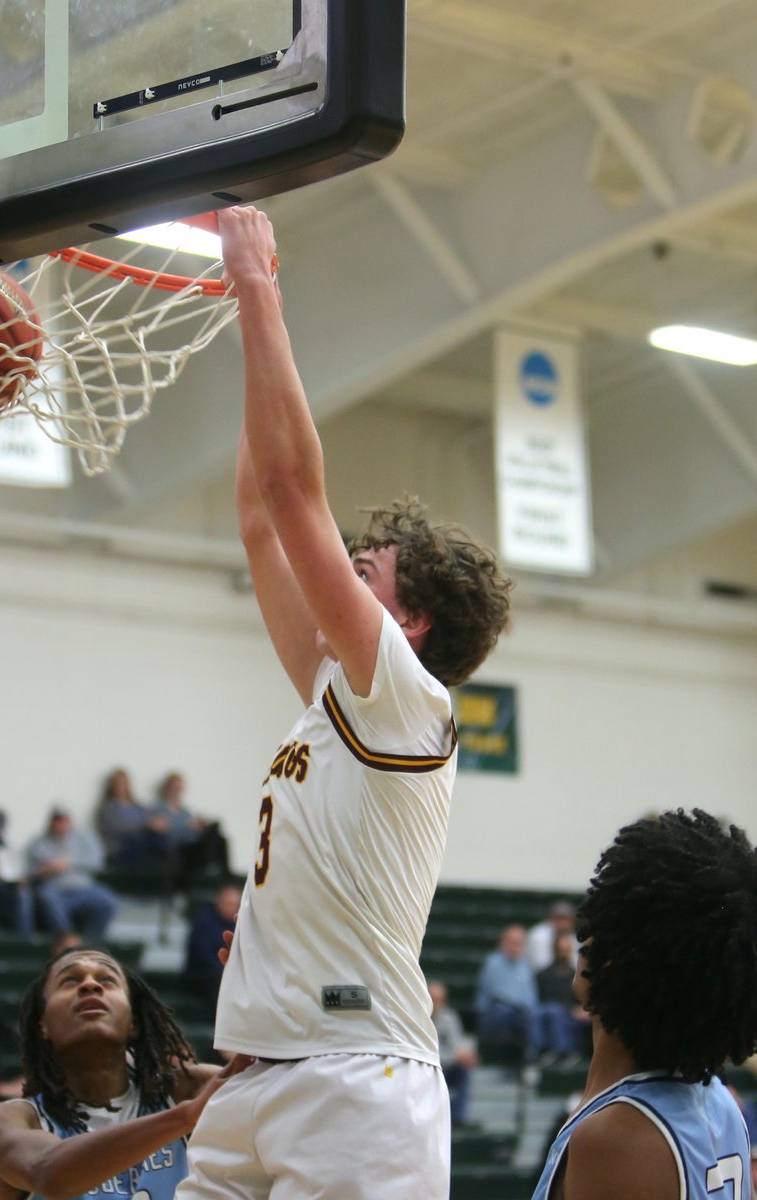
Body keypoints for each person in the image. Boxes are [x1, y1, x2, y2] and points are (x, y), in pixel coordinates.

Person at [175, 206, 513, 1200]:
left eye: (364, 572)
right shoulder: (335, 701)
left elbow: (289, 488)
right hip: (257, 1073)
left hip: (358, 1082)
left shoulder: (405, 701)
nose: (342, 571)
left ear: (408, 626)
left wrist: (257, 289)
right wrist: (258, 315)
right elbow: (257, 519)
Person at [532, 809, 757, 1200]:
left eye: (615, 924)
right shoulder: (721, 1102)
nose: (590, 932)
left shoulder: (617, 1137)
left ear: (634, 966)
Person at [0, 946, 240, 1200]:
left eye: (108, 980)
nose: (91, 985)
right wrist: (183, 1118)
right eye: (70, 981)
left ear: (133, 1022)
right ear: (43, 1024)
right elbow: (49, 1174)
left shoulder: (189, 1088)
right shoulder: (6, 1120)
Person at [24, 809, 118, 941]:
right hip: (55, 888)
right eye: (57, 822)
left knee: (107, 900)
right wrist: (47, 869)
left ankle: (92, 940)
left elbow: (97, 862)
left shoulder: (83, 839)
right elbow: (29, 872)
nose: (60, 826)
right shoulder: (39, 843)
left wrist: (70, 863)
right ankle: (65, 938)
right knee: (47, 896)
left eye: (64, 821)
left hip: (82, 888)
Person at [151, 773, 230, 892]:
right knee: (211, 837)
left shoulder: (185, 811)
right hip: (177, 849)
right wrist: (186, 827)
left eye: (180, 788)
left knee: (218, 836)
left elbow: (191, 832)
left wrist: (198, 827)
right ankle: (214, 867)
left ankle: (221, 871)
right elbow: (165, 831)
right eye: (175, 788)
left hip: (192, 846)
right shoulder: (159, 809)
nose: (177, 791)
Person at [475, 924, 541, 1065]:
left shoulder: (525, 966)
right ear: (502, 943)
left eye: (519, 944)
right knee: (508, 1012)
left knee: (534, 1014)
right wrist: (522, 1007)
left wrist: (527, 1009)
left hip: (520, 1014)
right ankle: (529, 1057)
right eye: (512, 943)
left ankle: (530, 1059)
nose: (515, 947)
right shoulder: (493, 963)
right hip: (494, 1013)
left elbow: (531, 996)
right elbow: (498, 995)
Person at [182, 882, 241, 1023]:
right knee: (219, 981)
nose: (229, 907)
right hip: (203, 975)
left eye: (234, 904)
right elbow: (203, 955)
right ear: (217, 902)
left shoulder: (242, 922)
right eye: (226, 903)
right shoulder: (203, 920)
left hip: (232, 973)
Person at [429, 979, 480, 1128]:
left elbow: (456, 1045)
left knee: (464, 1070)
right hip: (429, 1067)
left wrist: (465, 1055)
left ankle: (458, 1117)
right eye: (433, 999)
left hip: (447, 1066)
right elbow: (425, 1052)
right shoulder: (418, 1018)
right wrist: (454, 1057)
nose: (437, 1003)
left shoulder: (450, 1018)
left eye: (440, 999)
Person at [535, 930, 590, 1065]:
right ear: (554, 951)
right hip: (550, 1013)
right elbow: (542, 998)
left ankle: (567, 1053)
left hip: (573, 1014)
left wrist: (582, 1009)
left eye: (565, 950)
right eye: (560, 950)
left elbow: (581, 999)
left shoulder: (576, 975)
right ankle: (562, 1052)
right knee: (554, 1012)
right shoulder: (543, 975)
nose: (562, 954)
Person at [94, 769, 165, 872]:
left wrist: (158, 823)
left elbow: (151, 817)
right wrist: (146, 825)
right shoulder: (108, 808)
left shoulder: (137, 806)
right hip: (121, 848)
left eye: (124, 783)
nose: (122, 786)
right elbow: (121, 829)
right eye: (118, 783)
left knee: (161, 839)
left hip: (143, 841)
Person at [526, 901, 578, 973]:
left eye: (565, 919)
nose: (562, 923)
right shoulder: (537, 936)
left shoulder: (576, 939)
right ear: (551, 919)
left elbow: (575, 966)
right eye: (558, 919)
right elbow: (538, 965)